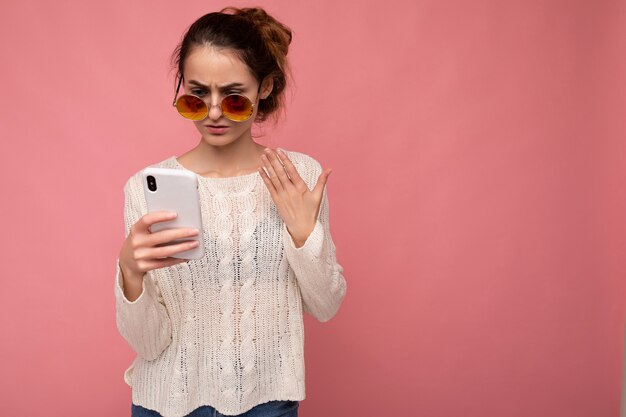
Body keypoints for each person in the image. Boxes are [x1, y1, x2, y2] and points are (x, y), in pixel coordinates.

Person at [114, 6, 347, 417]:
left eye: (234, 96)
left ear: (266, 87)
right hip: (166, 403)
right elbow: (150, 345)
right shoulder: (142, 188)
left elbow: (325, 306)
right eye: (197, 95)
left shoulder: (298, 177)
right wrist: (129, 275)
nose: (215, 112)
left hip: (267, 402)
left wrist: (302, 235)